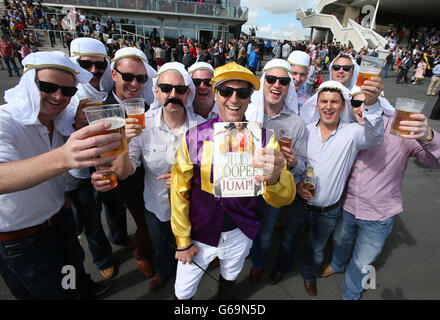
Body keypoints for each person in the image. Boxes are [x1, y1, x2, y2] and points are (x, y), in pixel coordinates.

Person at [171, 62, 296, 300]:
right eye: (227, 91)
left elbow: (284, 198)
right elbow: (179, 192)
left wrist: (276, 177)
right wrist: (183, 240)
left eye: (243, 92)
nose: (234, 98)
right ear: (216, 93)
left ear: (251, 98)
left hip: (241, 230)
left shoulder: (264, 141)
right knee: (183, 291)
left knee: (229, 278)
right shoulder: (193, 137)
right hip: (199, 232)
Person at [0, 51, 119, 299]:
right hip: (20, 239)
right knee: (52, 293)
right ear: (28, 84)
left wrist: (61, 196)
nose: (58, 96)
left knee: (72, 269)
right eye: (48, 87)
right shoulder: (5, 120)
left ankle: (83, 290)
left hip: (57, 220)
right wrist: (64, 157)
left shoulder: (60, 118)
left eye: (68, 92)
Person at [319, 85, 440, 300]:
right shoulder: (346, 128)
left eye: (368, 101)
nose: (361, 107)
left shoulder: (398, 129)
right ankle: (337, 265)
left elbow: (433, 161)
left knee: (363, 260)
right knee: (341, 242)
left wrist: (428, 136)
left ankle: (351, 292)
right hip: (347, 206)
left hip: (379, 214)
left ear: (379, 104)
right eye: (356, 102)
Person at [93, 62, 199, 293]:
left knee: (191, 247)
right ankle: (164, 274)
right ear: (157, 91)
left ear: (187, 93)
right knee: (160, 246)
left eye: (180, 90)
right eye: (167, 88)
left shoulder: (202, 128)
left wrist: (188, 178)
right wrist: (124, 142)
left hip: (193, 207)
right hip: (157, 205)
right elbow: (123, 172)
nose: (173, 94)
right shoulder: (142, 125)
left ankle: (186, 282)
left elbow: (211, 171)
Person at [298, 79, 385, 296]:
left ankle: (309, 276)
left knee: (317, 249)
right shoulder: (306, 130)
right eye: (324, 101)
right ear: (316, 105)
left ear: (343, 105)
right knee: (291, 240)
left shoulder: (353, 133)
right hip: (299, 205)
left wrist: (372, 106)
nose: (328, 106)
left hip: (329, 211)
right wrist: (296, 182)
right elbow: (297, 165)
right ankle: (281, 269)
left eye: (334, 102)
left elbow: (375, 138)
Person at [55, 37, 116, 280]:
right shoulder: (67, 89)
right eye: (86, 64)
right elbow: (57, 128)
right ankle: (101, 259)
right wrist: (77, 123)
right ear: (75, 63)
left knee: (114, 204)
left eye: (100, 65)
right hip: (78, 166)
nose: (94, 70)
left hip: (106, 158)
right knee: (90, 216)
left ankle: (120, 239)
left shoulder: (107, 79)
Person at [244, 58, 307, 285]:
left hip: (272, 188)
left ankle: (258, 265)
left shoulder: (296, 123)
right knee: (237, 227)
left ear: (289, 87)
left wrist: (292, 162)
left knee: (266, 233)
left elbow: (303, 165)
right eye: (271, 79)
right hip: (243, 185)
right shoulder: (246, 111)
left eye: (283, 81)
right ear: (264, 81)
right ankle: (234, 260)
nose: (276, 85)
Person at [96, 47, 157, 280]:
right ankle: (140, 253)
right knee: (140, 223)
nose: (135, 83)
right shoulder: (100, 111)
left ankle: (143, 247)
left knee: (148, 221)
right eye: (128, 77)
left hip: (147, 176)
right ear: (113, 74)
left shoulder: (145, 107)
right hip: (123, 180)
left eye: (141, 78)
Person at [287, 50, 312, 116]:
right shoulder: (275, 94)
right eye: (294, 73)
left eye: (302, 74)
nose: (298, 79)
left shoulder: (308, 101)